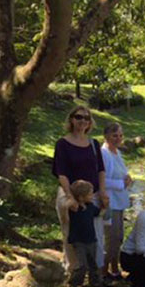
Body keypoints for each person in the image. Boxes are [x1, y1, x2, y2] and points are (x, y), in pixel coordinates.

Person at [53, 105, 108, 274]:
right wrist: (70, 197)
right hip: (71, 193)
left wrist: (103, 192)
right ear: (71, 119)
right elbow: (61, 172)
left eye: (86, 118)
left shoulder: (94, 144)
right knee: (71, 235)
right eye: (79, 117)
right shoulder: (63, 144)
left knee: (96, 234)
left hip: (92, 195)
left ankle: (95, 272)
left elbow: (100, 169)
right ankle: (74, 271)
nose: (83, 121)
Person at [101, 122, 131, 281]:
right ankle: (103, 271)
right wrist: (121, 184)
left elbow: (120, 173)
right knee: (111, 237)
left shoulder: (116, 152)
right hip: (109, 202)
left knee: (118, 236)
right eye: (115, 135)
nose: (118, 138)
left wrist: (128, 178)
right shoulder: (104, 154)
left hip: (119, 201)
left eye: (120, 135)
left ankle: (114, 267)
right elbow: (102, 180)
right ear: (106, 136)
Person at [66, 180, 105, 287]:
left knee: (93, 263)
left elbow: (99, 213)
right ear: (81, 197)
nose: (92, 196)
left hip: (91, 239)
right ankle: (74, 283)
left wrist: (105, 205)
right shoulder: (74, 208)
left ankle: (95, 283)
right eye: (90, 194)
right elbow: (65, 211)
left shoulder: (91, 207)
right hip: (78, 240)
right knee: (82, 264)